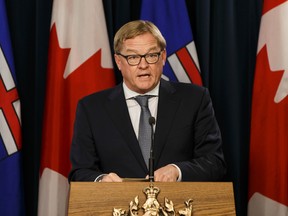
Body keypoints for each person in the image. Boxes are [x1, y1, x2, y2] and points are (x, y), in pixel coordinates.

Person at [68, 20, 226, 183]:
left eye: (151, 55)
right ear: (118, 61)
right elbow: (80, 172)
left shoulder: (195, 99)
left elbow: (215, 163)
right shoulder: (92, 108)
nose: (143, 65)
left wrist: (177, 171)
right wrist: (101, 180)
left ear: (163, 57)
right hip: (117, 206)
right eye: (133, 57)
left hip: (178, 205)